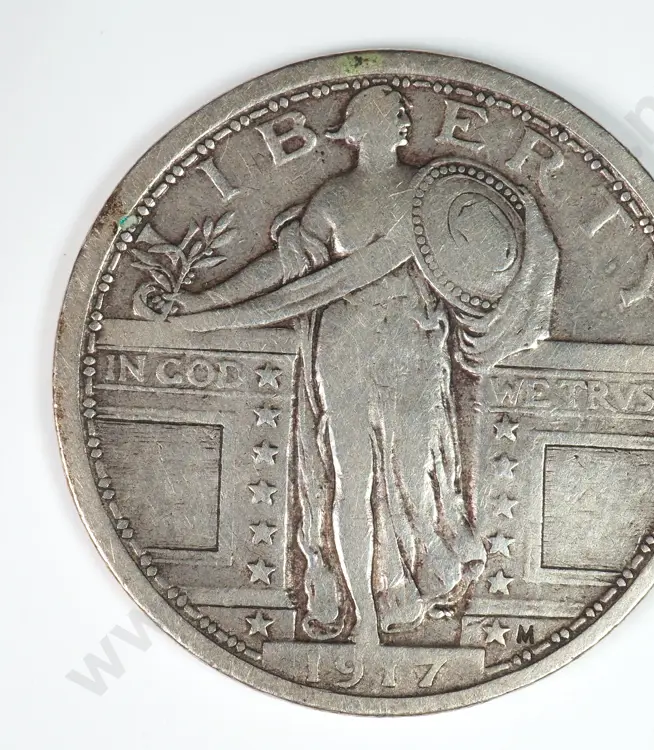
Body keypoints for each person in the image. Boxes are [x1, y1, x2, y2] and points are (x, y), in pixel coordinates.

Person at [140, 85, 559, 644]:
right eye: (387, 116)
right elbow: (284, 274)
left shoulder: (432, 197)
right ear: (359, 132)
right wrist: (201, 304)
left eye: (401, 116)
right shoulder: (333, 200)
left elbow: (480, 261)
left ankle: (405, 590)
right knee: (348, 476)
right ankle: (362, 617)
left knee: (415, 475)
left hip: (413, 342)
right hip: (344, 341)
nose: (400, 122)